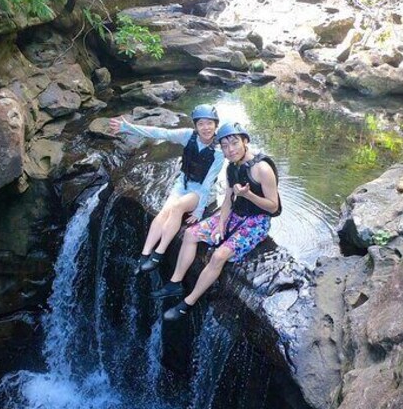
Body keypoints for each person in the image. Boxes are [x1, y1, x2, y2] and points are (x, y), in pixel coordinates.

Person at [151, 122, 281, 321]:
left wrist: (249, 196)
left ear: (245, 141)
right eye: (225, 146)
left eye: (234, 143)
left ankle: (188, 302)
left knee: (219, 256)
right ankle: (175, 283)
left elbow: (273, 206)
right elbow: (228, 199)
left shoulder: (262, 169)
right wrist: (221, 225)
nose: (230, 150)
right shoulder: (232, 168)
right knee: (190, 233)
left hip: (258, 220)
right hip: (236, 213)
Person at [108, 105, 225, 277]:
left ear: (216, 125)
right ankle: (144, 255)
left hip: (201, 192)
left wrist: (199, 210)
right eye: (201, 123)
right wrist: (127, 128)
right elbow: (160, 132)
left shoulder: (219, 150)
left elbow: (208, 182)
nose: (206, 128)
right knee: (164, 212)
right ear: (196, 126)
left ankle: (158, 254)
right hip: (183, 183)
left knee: (177, 207)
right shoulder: (188, 136)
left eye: (210, 123)